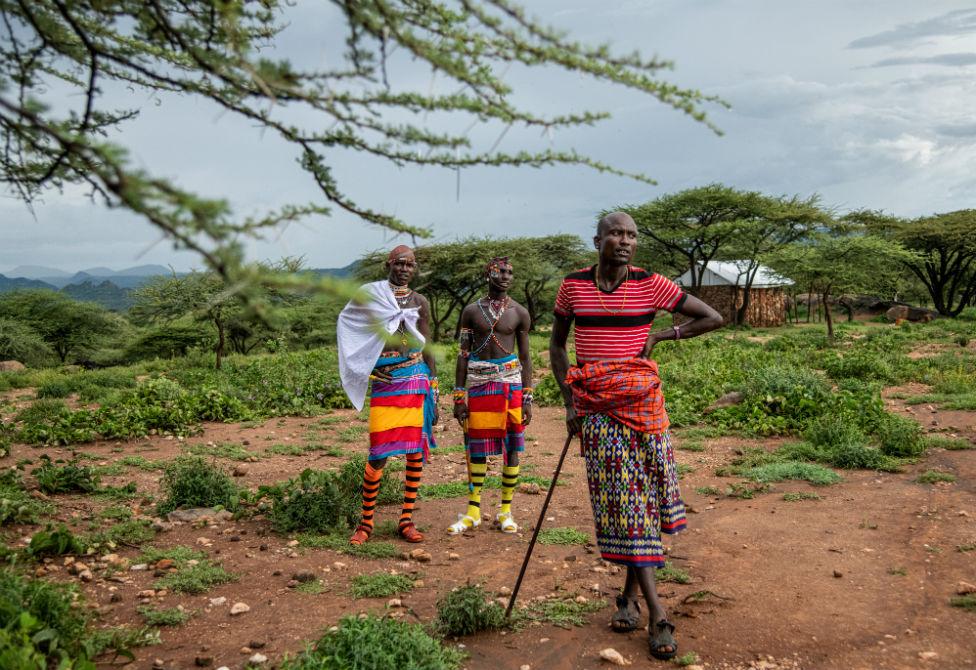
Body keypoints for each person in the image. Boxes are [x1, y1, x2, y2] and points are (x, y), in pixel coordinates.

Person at [548, 212, 723, 661]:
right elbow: (557, 345)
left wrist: (664, 334)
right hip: (598, 409)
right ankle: (657, 611)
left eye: (631, 235)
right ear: (598, 240)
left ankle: (627, 596)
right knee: (627, 501)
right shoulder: (573, 286)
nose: (624, 241)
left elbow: (713, 317)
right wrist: (570, 402)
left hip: (645, 404)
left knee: (643, 500)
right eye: (616, 234)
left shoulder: (651, 284)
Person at [336, 245, 438, 545]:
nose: (405, 269)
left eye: (411, 265)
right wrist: (367, 370)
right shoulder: (371, 297)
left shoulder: (420, 301)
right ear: (388, 265)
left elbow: (427, 343)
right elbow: (349, 329)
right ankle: (365, 523)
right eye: (400, 263)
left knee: (415, 452)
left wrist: (435, 386)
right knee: (379, 452)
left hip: (415, 379)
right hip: (386, 381)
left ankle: (406, 520)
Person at [449, 257, 533, 534]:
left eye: (510, 272)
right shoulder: (471, 311)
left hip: (511, 385)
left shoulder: (519, 312)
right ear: (488, 274)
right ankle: (473, 511)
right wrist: (459, 396)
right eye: (501, 271)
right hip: (479, 383)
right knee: (477, 447)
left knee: (512, 447)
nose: (506, 276)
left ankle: (505, 511)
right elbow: (463, 355)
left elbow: (526, 358)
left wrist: (528, 398)